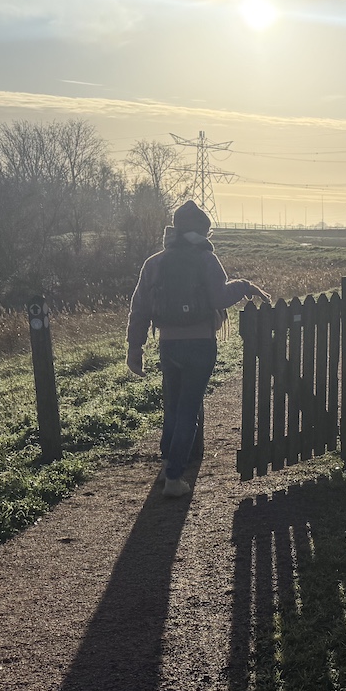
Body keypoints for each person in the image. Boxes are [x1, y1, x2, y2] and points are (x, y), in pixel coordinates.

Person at [126, 201, 268, 497]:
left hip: (168, 344)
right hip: (201, 343)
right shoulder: (205, 258)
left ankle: (168, 460)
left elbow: (139, 308)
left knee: (173, 406)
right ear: (203, 230)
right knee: (189, 409)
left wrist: (134, 349)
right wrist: (243, 286)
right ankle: (175, 478)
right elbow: (219, 298)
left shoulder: (155, 262)